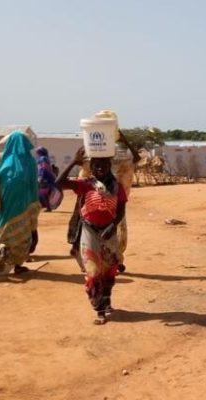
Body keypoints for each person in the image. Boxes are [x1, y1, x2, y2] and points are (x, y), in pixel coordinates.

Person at [58, 147, 128, 325]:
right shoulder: (86, 184)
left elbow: (120, 211)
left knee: (109, 270)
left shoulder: (117, 187)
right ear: (92, 167)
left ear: (109, 165)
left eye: (103, 164)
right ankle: (99, 309)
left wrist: (113, 225)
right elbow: (59, 183)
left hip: (108, 232)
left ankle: (106, 299)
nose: (100, 168)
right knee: (93, 272)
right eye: (96, 165)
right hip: (89, 231)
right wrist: (74, 162)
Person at [69, 113, 140, 273]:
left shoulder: (115, 153)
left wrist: (122, 139)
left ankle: (114, 259)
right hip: (97, 197)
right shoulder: (100, 154)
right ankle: (91, 260)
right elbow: (135, 158)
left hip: (113, 197)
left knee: (112, 228)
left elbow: (135, 158)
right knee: (92, 227)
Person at [0, 131, 39, 274]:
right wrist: (34, 204)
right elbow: (33, 183)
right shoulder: (30, 160)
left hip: (5, 198)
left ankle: (2, 247)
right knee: (23, 231)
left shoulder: (0, 159)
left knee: (3, 224)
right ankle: (17, 265)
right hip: (24, 199)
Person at [35, 147, 63, 212]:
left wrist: (41, 177)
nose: (36, 154)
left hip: (45, 177)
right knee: (44, 193)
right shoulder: (44, 158)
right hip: (45, 177)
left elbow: (43, 168)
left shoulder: (43, 159)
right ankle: (47, 207)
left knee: (43, 192)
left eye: (37, 152)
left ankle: (48, 207)